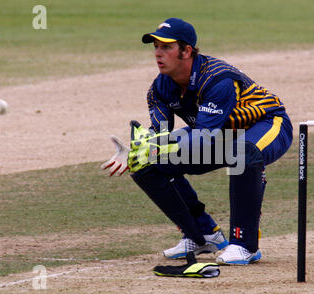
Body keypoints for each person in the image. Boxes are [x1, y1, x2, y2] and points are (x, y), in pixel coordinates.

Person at [102, 18, 293, 265]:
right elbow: (161, 134)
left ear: (187, 50)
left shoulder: (217, 79)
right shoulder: (159, 89)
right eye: (156, 47)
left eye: (166, 47)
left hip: (268, 125)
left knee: (243, 153)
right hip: (221, 135)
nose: (158, 53)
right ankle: (202, 235)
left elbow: (203, 138)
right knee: (147, 164)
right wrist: (137, 151)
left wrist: (155, 146)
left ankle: (245, 245)